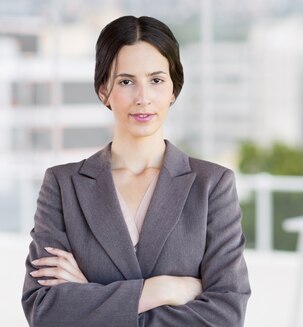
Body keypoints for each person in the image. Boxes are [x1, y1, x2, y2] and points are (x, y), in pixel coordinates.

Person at [21, 15, 251, 326]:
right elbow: (44, 310)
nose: (143, 98)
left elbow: (226, 314)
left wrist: (89, 295)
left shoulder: (212, 186)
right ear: (104, 90)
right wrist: (161, 289)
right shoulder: (63, 186)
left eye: (156, 80)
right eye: (126, 81)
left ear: (173, 89)